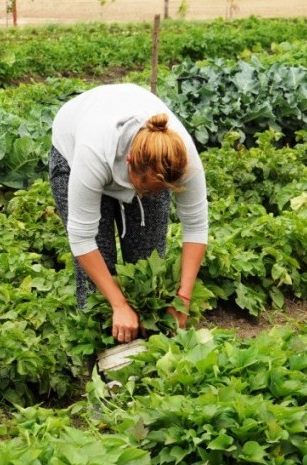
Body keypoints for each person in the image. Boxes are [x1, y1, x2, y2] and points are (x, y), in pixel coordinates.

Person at [49, 83, 209, 343]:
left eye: (160, 190)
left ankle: (148, 351)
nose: (150, 195)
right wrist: (118, 304)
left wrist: (183, 298)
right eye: (147, 188)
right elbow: (81, 239)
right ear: (130, 163)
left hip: (142, 160)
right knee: (98, 279)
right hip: (73, 147)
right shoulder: (93, 153)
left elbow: (196, 227)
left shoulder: (182, 157)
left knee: (149, 268)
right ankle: (105, 362)